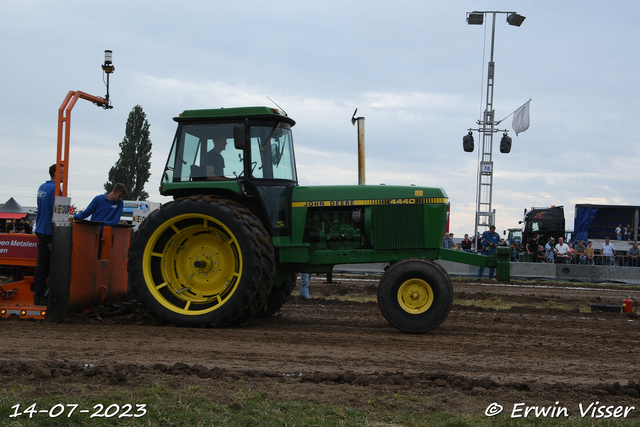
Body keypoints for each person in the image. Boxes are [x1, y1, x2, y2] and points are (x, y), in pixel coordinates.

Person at [33, 164, 59, 306]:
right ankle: (46, 296)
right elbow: (57, 211)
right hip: (50, 231)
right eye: (62, 172)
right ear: (56, 173)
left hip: (41, 229)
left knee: (41, 264)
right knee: (58, 265)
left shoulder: (42, 187)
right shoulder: (56, 189)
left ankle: (38, 295)